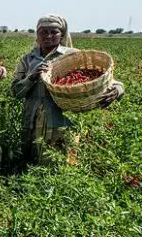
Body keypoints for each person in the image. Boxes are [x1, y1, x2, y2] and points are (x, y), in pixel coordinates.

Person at [11, 14, 124, 163]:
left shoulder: (73, 57)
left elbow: (109, 81)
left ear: (62, 34)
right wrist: (31, 77)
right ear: (37, 34)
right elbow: (15, 91)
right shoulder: (28, 59)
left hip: (62, 123)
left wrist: (117, 90)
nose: (48, 36)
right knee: (31, 163)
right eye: (43, 31)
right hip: (32, 121)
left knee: (63, 162)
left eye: (54, 32)